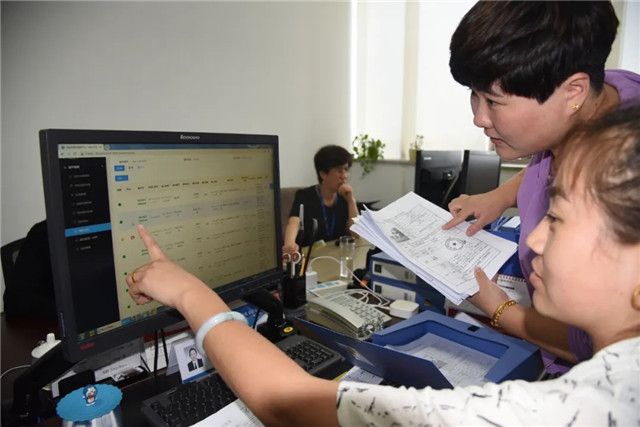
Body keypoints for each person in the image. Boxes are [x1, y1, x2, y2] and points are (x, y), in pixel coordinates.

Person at [126, 106, 640, 425]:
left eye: (556, 216)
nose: (535, 237)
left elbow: (288, 403)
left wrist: (191, 293)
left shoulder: (557, 411)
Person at [443, 0, 640, 372]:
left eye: (493, 101)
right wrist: (500, 197)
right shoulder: (598, 93)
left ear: (574, 92)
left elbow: (602, 341)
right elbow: (548, 153)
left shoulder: (625, 172)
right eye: (474, 94)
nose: (479, 118)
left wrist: (499, 309)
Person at [282, 145, 359, 256]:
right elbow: (294, 222)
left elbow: (356, 235)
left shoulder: (344, 197)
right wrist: (289, 244)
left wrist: (351, 201)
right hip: (312, 256)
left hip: (338, 255)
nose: (344, 176)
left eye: (346, 170)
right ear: (323, 174)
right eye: (339, 171)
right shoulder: (305, 196)